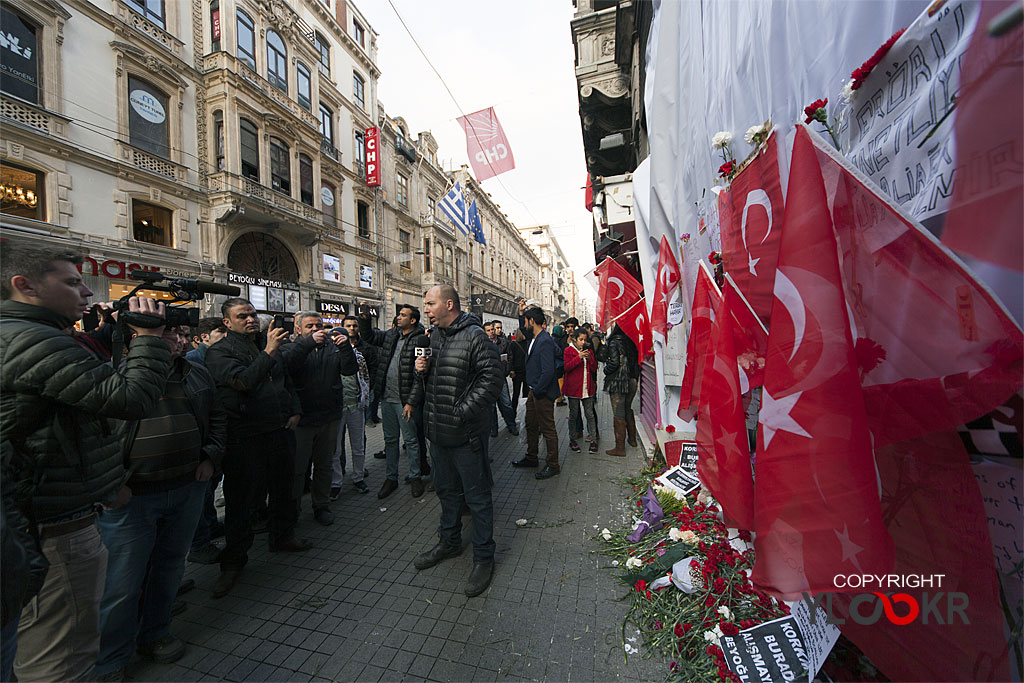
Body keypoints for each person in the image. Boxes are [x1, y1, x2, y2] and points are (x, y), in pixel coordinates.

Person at [0, 241, 172, 681]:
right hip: (51, 525)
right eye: (73, 282)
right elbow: (128, 398)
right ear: (25, 286)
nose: (87, 293)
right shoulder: (34, 342)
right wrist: (150, 339)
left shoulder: (34, 335)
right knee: (61, 658)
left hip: (37, 515)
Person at [93, 324, 225, 679]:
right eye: (168, 334)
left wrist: (210, 456)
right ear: (139, 338)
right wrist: (111, 484)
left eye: (182, 334)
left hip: (187, 488)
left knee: (169, 569)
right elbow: (90, 434)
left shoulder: (196, 372)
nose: (180, 340)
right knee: (122, 582)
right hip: (131, 497)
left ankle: (155, 634)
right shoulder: (113, 374)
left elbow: (217, 417)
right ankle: (111, 658)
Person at [205, 298, 310, 599]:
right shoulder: (220, 352)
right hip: (246, 438)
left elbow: (286, 382)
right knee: (242, 503)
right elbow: (243, 382)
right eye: (242, 316)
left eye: (252, 314)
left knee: (284, 490)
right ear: (227, 322)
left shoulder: (263, 345)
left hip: (279, 431)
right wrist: (268, 351)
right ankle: (233, 563)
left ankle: (282, 537)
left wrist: (296, 410)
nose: (250, 320)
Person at [409, 285, 502, 597]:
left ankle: (483, 559)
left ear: (449, 304)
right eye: (425, 304)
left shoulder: (475, 335)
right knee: (447, 493)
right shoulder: (434, 336)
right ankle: (449, 543)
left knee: (477, 500)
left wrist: (462, 412)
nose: (426, 309)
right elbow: (436, 380)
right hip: (438, 436)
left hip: (465, 437)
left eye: (430, 303)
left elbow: (493, 379)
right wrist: (422, 371)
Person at [279, 312, 357, 526]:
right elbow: (289, 366)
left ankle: (321, 505)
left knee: (324, 466)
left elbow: (350, 370)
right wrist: (307, 345)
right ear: (298, 329)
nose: (315, 329)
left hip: (329, 418)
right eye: (309, 326)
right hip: (302, 420)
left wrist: (346, 348)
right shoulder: (289, 347)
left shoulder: (331, 348)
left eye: (318, 325)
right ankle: (292, 508)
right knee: (297, 468)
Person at [358, 305, 428, 499]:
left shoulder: (420, 340)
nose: (398, 317)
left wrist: (411, 402)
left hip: (405, 402)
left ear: (413, 320)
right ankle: (391, 478)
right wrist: (364, 319)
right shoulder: (391, 335)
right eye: (399, 314)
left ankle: (415, 477)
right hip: (387, 399)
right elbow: (370, 337)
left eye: (403, 315)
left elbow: (421, 376)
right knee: (390, 441)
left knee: (411, 441)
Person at [187, 317, 228, 565]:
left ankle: (211, 527)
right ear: (204, 338)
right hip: (202, 440)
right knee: (200, 495)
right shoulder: (194, 362)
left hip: (214, 437)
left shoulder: (214, 358)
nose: (225, 338)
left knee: (209, 489)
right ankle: (199, 544)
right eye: (219, 333)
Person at [512, 307, 562, 479]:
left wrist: (539, 390)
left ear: (532, 321)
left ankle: (553, 464)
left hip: (543, 392)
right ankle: (531, 457)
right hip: (534, 390)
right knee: (530, 424)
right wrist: (520, 314)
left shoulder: (545, 340)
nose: (524, 324)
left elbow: (548, 371)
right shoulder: (534, 338)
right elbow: (523, 328)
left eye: (526, 321)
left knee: (548, 429)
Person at [332, 316, 371, 496]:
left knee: (358, 446)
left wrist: (366, 399)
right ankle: (336, 482)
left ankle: (358, 477)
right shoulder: (330, 356)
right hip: (336, 408)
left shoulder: (359, 357)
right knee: (336, 450)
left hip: (355, 406)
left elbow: (365, 379)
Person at [602, 324, 640, 456]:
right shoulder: (632, 342)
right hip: (632, 380)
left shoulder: (614, 342)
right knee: (628, 408)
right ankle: (632, 440)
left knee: (618, 413)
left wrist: (605, 370)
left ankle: (620, 448)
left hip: (618, 382)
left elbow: (614, 363)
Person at [564, 329, 599, 454]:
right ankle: (572, 439)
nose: (583, 342)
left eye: (585, 340)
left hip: (587, 388)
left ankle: (594, 440)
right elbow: (567, 367)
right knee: (574, 414)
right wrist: (578, 358)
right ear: (575, 339)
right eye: (581, 340)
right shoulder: (568, 351)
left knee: (589, 414)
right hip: (574, 388)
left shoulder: (589, 351)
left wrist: (590, 359)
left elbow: (594, 368)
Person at [486, 320, 519, 438]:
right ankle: (493, 428)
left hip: (500, 377)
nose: (493, 332)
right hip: (488, 379)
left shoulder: (504, 342)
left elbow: (510, 357)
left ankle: (511, 425)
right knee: (491, 407)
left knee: (506, 404)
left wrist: (507, 369)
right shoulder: (483, 344)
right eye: (489, 330)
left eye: (494, 329)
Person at [509, 328, 527, 407]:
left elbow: (511, 358)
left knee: (516, 393)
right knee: (526, 394)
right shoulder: (528, 343)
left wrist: (512, 370)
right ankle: (525, 412)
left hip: (516, 371)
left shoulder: (513, 344)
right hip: (526, 371)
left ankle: (513, 413)